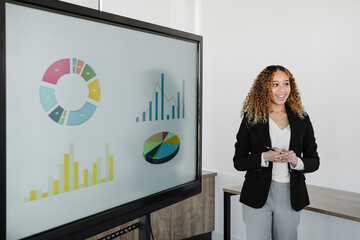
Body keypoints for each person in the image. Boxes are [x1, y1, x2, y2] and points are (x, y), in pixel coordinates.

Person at [233, 65, 320, 240]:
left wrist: (296, 160)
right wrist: (264, 157)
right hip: (257, 194)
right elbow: (239, 161)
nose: (282, 89)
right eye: (275, 84)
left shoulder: (302, 119)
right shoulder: (252, 117)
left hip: (291, 194)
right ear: (264, 88)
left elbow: (314, 161)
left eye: (286, 83)